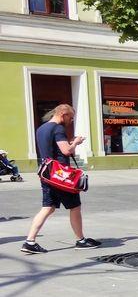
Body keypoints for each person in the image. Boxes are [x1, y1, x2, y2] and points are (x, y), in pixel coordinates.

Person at [22, 104, 101, 254]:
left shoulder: (41, 128)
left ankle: (29, 241)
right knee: (74, 207)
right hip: (61, 176)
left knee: (48, 207)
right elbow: (66, 151)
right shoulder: (58, 129)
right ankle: (81, 240)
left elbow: (53, 148)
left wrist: (68, 142)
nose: (70, 121)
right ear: (63, 114)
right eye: (70, 118)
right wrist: (76, 142)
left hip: (46, 173)